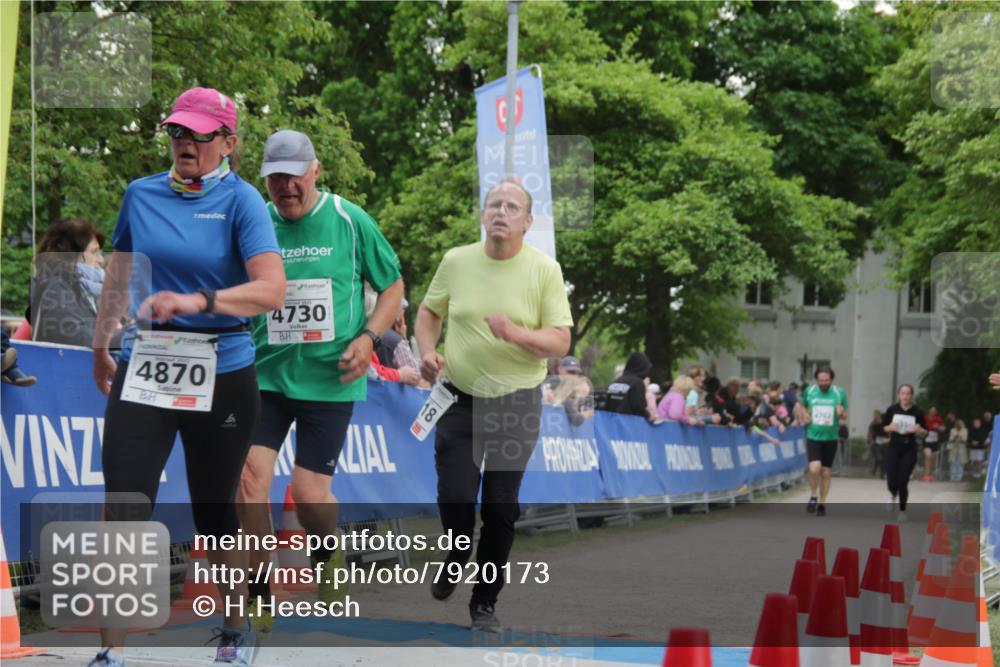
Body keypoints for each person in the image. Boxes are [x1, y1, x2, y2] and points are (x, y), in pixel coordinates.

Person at [90, 87, 285, 667]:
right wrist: (102, 343)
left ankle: (233, 626)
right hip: (145, 364)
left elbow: (271, 291)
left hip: (222, 369)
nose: (185, 143)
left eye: (199, 134)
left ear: (228, 142)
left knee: (216, 513)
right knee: (124, 502)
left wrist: (199, 299)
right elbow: (119, 277)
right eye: (177, 131)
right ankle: (111, 654)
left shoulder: (242, 202)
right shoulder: (140, 194)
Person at [236, 130, 403, 627]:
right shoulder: (254, 223)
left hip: (331, 378)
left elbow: (391, 286)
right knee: (249, 481)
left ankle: (327, 553)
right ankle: (258, 592)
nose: (285, 186)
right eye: (274, 177)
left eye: (294, 175)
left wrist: (371, 337)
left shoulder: (350, 220)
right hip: (265, 375)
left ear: (315, 170)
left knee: (309, 496)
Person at [415, 178, 572, 632]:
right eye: (493, 204)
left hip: (516, 403)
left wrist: (516, 333)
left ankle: (484, 603)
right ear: (483, 215)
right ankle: (458, 549)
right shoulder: (456, 261)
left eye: (512, 206)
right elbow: (429, 313)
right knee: (457, 497)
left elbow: (560, 340)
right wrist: (427, 351)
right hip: (459, 399)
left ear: (528, 220)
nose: (501, 211)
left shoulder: (544, 269)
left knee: (502, 507)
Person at [30, 218, 110, 347]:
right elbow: (77, 337)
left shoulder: (80, 289)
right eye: (94, 252)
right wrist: (125, 337)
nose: (100, 260)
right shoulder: (56, 286)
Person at [795, 366, 848, 517]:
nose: (823, 383)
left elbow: (845, 415)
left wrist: (841, 413)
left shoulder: (839, 393)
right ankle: (813, 495)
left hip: (831, 437)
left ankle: (822, 503)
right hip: (813, 435)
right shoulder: (810, 391)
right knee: (814, 468)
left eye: (826, 380)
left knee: (825, 472)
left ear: (831, 379)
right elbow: (803, 407)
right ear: (816, 379)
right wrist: (805, 415)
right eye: (820, 380)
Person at [881, 384, 928, 522]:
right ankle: (892, 494)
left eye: (908, 393)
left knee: (903, 480)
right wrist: (890, 427)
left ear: (911, 395)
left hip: (909, 448)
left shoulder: (918, 412)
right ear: (898, 395)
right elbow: (884, 427)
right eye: (903, 393)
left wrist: (918, 430)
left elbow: (926, 433)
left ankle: (902, 511)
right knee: (891, 479)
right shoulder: (892, 409)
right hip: (894, 447)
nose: (905, 396)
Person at [543, 356, 594, 426]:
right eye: (570, 371)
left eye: (576, 373)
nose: (573, 375)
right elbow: (575, 419)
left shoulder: (565, 386)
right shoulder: (555, 382)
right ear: (560, 369)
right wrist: (584, 415)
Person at [604, 352, 655, 419]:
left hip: (611, 423)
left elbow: (607, 406)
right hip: (628, 425)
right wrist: (649, 416)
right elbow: (639, 408)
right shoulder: (637, 383)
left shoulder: (615, 382)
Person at [922, 406, 944, 481]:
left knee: (933, 458)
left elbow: (943, 429)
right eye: (931, 411)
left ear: (936, 412)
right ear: (929, 411)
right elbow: (920, 427)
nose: (933, 412)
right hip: (926, 440)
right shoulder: (925, 418)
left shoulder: (938, 419)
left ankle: (930, 474)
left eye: (934, 411)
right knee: (928, 455)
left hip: (935, 441)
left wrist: (938, 427)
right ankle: (926, 475)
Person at [867, 410, 887, 478]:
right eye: (874, 415)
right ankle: (874, 471)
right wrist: (871, 440)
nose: (874, 416)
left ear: (879, 415)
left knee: (884, 459)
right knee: (879, 458)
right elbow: (870, 432)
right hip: (875, 443)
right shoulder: (873, 423)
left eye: (876, 414)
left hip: (884, 442)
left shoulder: (884, 423)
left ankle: (882, 474)